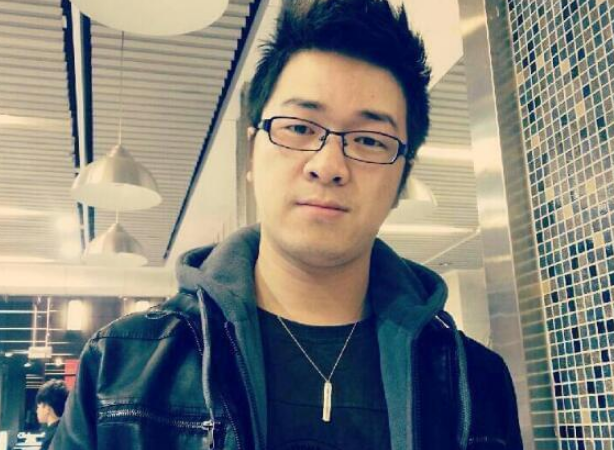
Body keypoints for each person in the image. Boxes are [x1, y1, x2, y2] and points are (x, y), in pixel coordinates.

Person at [53, 0, 523, 449]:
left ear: (403, 177)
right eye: (299, 128)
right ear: (251, 153)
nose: (328, 165)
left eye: (369, 140)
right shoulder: (120, 368)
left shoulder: (473, 383)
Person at [36, 379, 69, 450]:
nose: (37, 411)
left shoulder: (51, 438)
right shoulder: (65, 431)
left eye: (38, 407)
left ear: (47, 407)